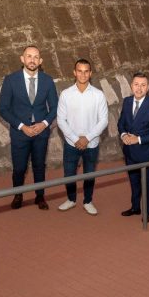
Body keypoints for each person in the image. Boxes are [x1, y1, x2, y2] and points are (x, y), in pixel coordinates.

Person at [0, 45, 58, 210]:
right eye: (29, 56)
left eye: (36, 57)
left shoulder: (47, 80)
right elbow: (3, 109)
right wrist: (21, 126)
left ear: (40, 61)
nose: (32, 60)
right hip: (20, 133)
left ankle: (40, 196)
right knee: (19, 168)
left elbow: (54, 107)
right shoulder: (11, 80)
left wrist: (44, 124)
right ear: (22, 59)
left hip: (41, 132)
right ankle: (18, 195)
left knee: (39, 165)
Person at [56, 59, 109, 216]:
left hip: (91, 143)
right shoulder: (66, 94)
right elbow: (60, 119)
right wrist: (75, 138)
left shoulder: (98, 95)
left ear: (91, 73)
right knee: (69, 173)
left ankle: (87, 201)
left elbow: (104, 120)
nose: (83, 74)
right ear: (74, 72)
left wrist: (87, 138)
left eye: (86, 71)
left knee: (89, 173)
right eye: (80, 71)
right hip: (71, 143)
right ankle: (71, 199)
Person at [117, 72, 149, 221]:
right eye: (136, 84)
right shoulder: (126, 101)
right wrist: (124, 135)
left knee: (148, 185)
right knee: (134, 182)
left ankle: (147, 212)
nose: (139, 88)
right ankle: (135, 207)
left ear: (148, 87)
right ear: (131, 86)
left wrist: (138, 139)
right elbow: (121, 123)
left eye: (143, 85)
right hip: (129, 153)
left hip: (146, 153)